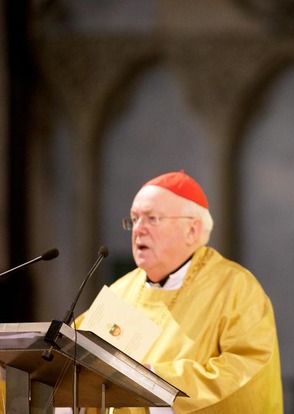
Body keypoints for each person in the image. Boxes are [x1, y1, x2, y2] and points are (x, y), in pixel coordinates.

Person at [84, 171, 283, 413]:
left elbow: (247, 371)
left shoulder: (235, 288)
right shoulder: (121, 292)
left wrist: (156, 381)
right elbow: (76, 365)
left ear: (192, 230)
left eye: (152, 219)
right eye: (134, 219)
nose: (139, 230)